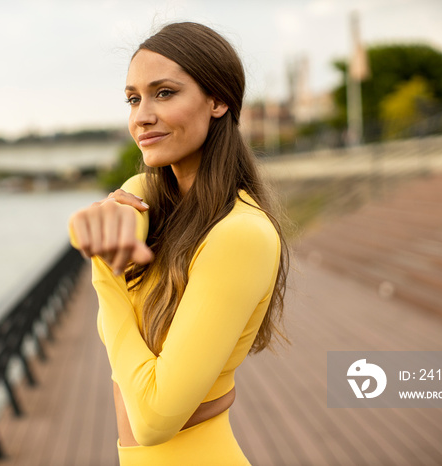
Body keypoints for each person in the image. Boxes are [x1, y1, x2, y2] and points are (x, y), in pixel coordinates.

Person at [68, 22, 289, 465]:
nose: (141, 116)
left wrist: (105, 274)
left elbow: (152, 419)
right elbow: (89, 223)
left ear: (218, 100)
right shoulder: (152, 197)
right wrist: (91, 225)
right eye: (133, 99)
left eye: (164, 93)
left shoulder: (240, 233)